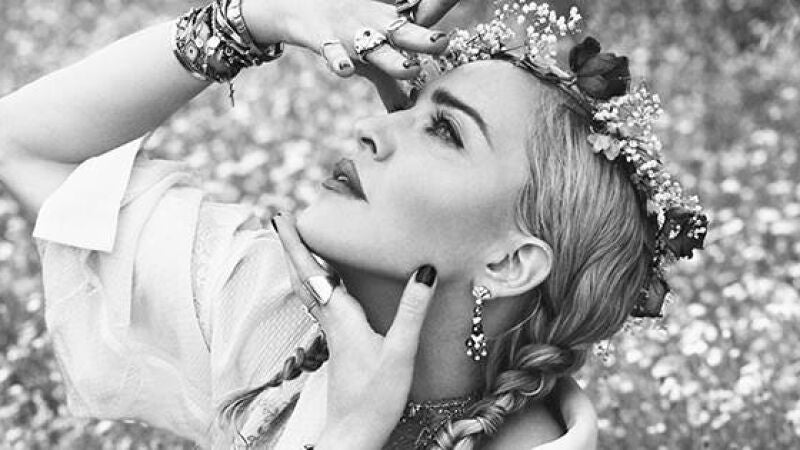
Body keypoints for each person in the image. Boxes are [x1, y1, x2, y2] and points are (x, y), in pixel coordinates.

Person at [0, 0, 707, 448]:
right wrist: (261, 17)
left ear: (510, 263)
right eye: (408, 106)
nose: (372, 128)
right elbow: (24, 144)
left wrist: (350, 435)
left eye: (445, 131)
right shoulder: (278, 321)